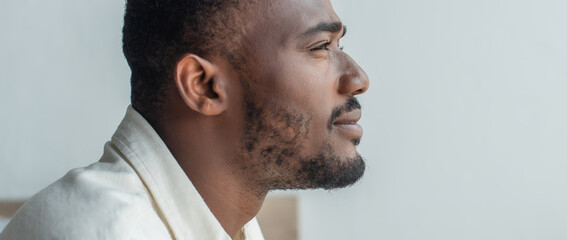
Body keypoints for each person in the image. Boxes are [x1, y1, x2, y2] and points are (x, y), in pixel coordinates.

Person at [0, 0, 369, 239]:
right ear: (205, 86)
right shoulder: (100, 231)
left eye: (340, 46)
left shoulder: (232, 227)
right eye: (321, 47)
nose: (358, 78)